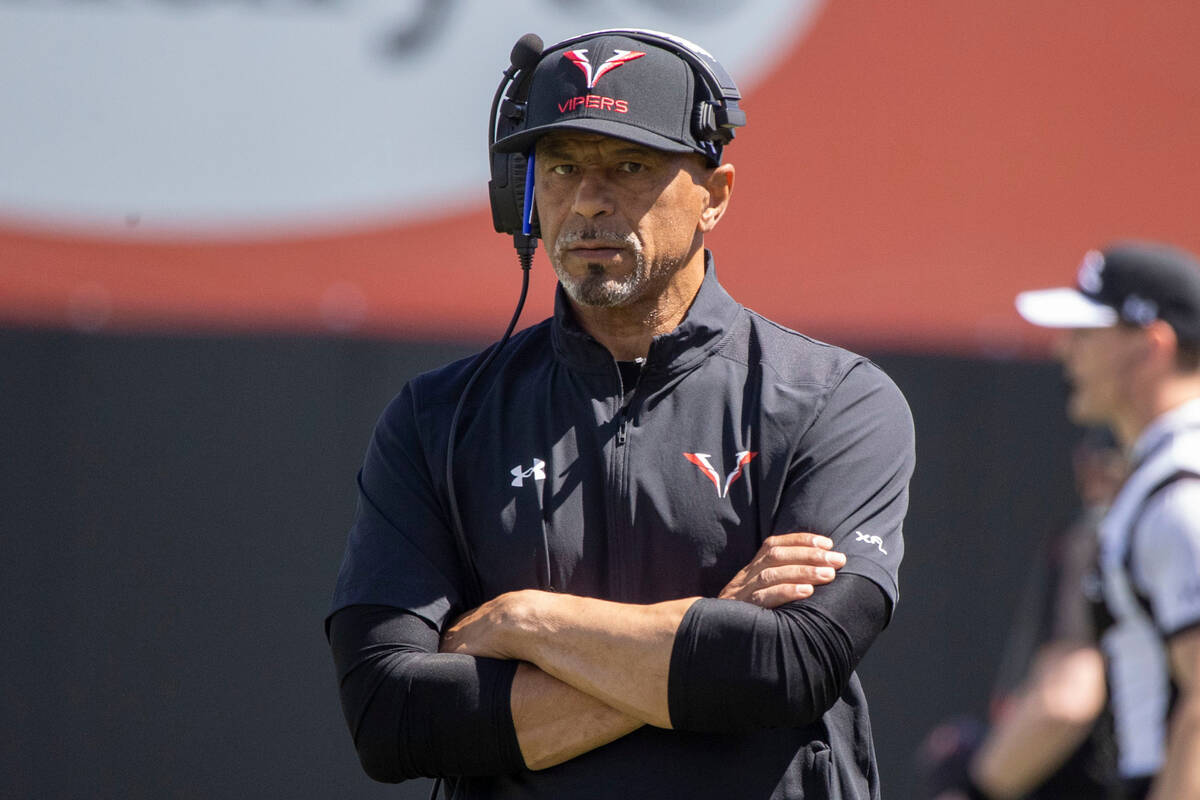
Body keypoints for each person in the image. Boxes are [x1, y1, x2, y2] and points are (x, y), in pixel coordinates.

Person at [326, 29, 914, 799]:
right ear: (525, 194)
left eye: (630, 165)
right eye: (563, 166)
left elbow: (789, 666)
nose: (589, 200)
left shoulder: (837, 399)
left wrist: (528, 623)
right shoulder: (437, 418)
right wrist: (715, 625)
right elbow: (391, 717)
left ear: (716, 195)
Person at [1012, 241, 1200, 799]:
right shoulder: (1165, 479)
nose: (1066, 352)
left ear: (1151, 345)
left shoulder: (1178, 493)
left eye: (1087, 334)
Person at [918, 430, 1126, 800]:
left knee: (954, 757)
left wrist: (973, 788)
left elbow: (1065, 701)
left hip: (1095, 780)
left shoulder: (1097, 538)